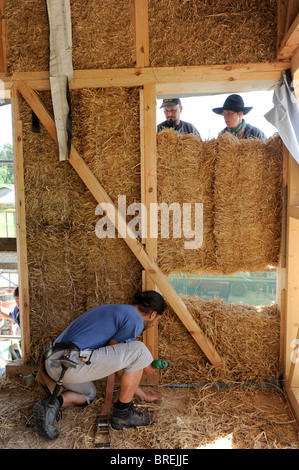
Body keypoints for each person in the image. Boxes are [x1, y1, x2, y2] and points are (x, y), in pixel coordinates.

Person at [32, 290, 167, 440]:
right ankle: (123, 414)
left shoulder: (116, 310)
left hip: (54, 364)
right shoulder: (134, 319)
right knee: (140, 351)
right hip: (69, 362)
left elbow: (113, 360)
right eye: (158, 320)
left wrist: (143, 396)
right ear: (153, 314)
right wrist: (145, 369)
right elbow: (116, 361)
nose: (154, 324)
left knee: (89, 394)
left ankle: (50, 405)